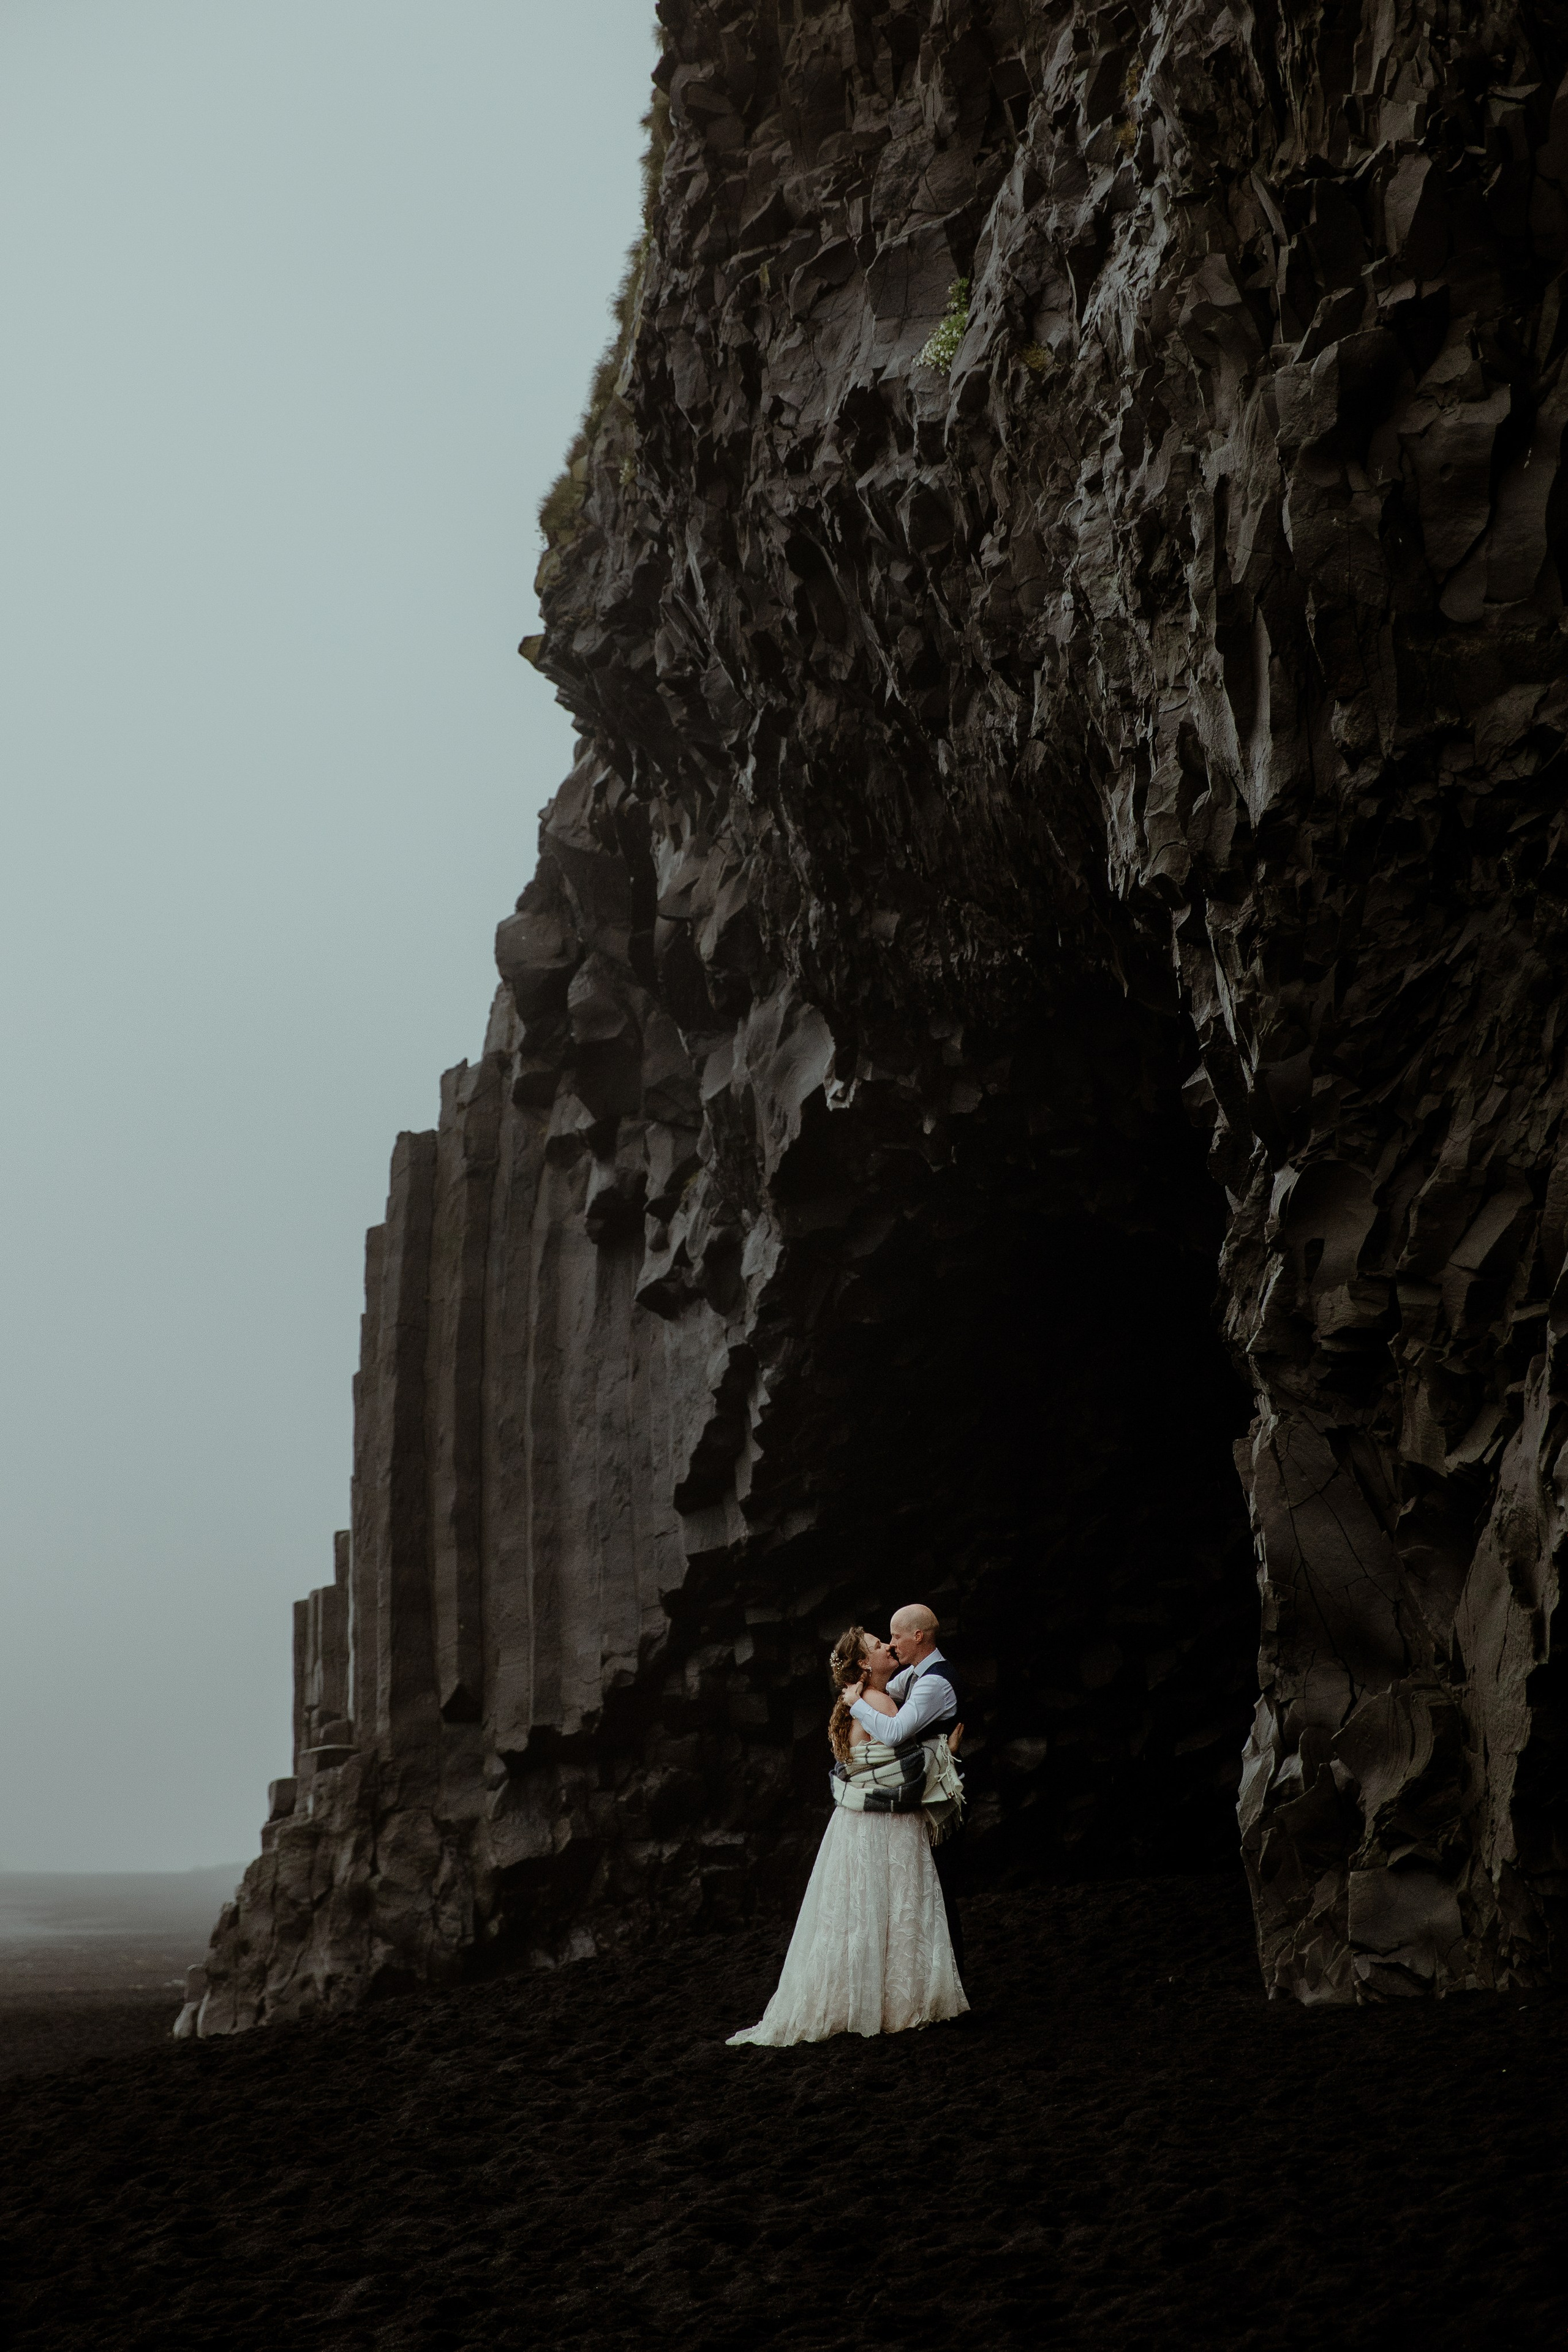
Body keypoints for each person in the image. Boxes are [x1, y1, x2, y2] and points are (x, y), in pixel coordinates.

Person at [726, 1619, 968, 2046]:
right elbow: (907, 1763)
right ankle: (893, 2005)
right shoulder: (879, 1702)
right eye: (879, 1644)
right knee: (892, 1907)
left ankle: (861, 1998)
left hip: (856, 1821)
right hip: (887, 1823)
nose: (889, 1647)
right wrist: (945, 1751)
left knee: (860, 1911)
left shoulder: (872, 1697)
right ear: (864, 1662)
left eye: (891, 1639)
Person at [843, 1603, 968, 1977]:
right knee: (929, 1889)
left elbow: (896, 1732)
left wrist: (855, 1704)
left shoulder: (934, 1682)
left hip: (939, 1797)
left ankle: (951, 1976)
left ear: (918, 1636)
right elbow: (881, 1688)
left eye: (896, 1636)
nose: (892, 1644)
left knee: (939, 1891)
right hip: (925, 1791)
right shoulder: (916, 1675)